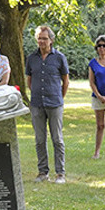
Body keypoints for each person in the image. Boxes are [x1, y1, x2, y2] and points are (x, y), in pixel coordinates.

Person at [25, 25, 69, 184]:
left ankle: (60, 173)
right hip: (37, 103)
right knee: (39, 139)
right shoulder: (31, 58)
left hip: (54, 103)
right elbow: (29, 81)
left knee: (57, 138)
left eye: (44, 38)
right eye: (39, 38)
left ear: (51, 40)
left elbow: (65, 81)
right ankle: (43, 172)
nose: (41, 41)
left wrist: (59, 97)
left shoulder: (59, 57)